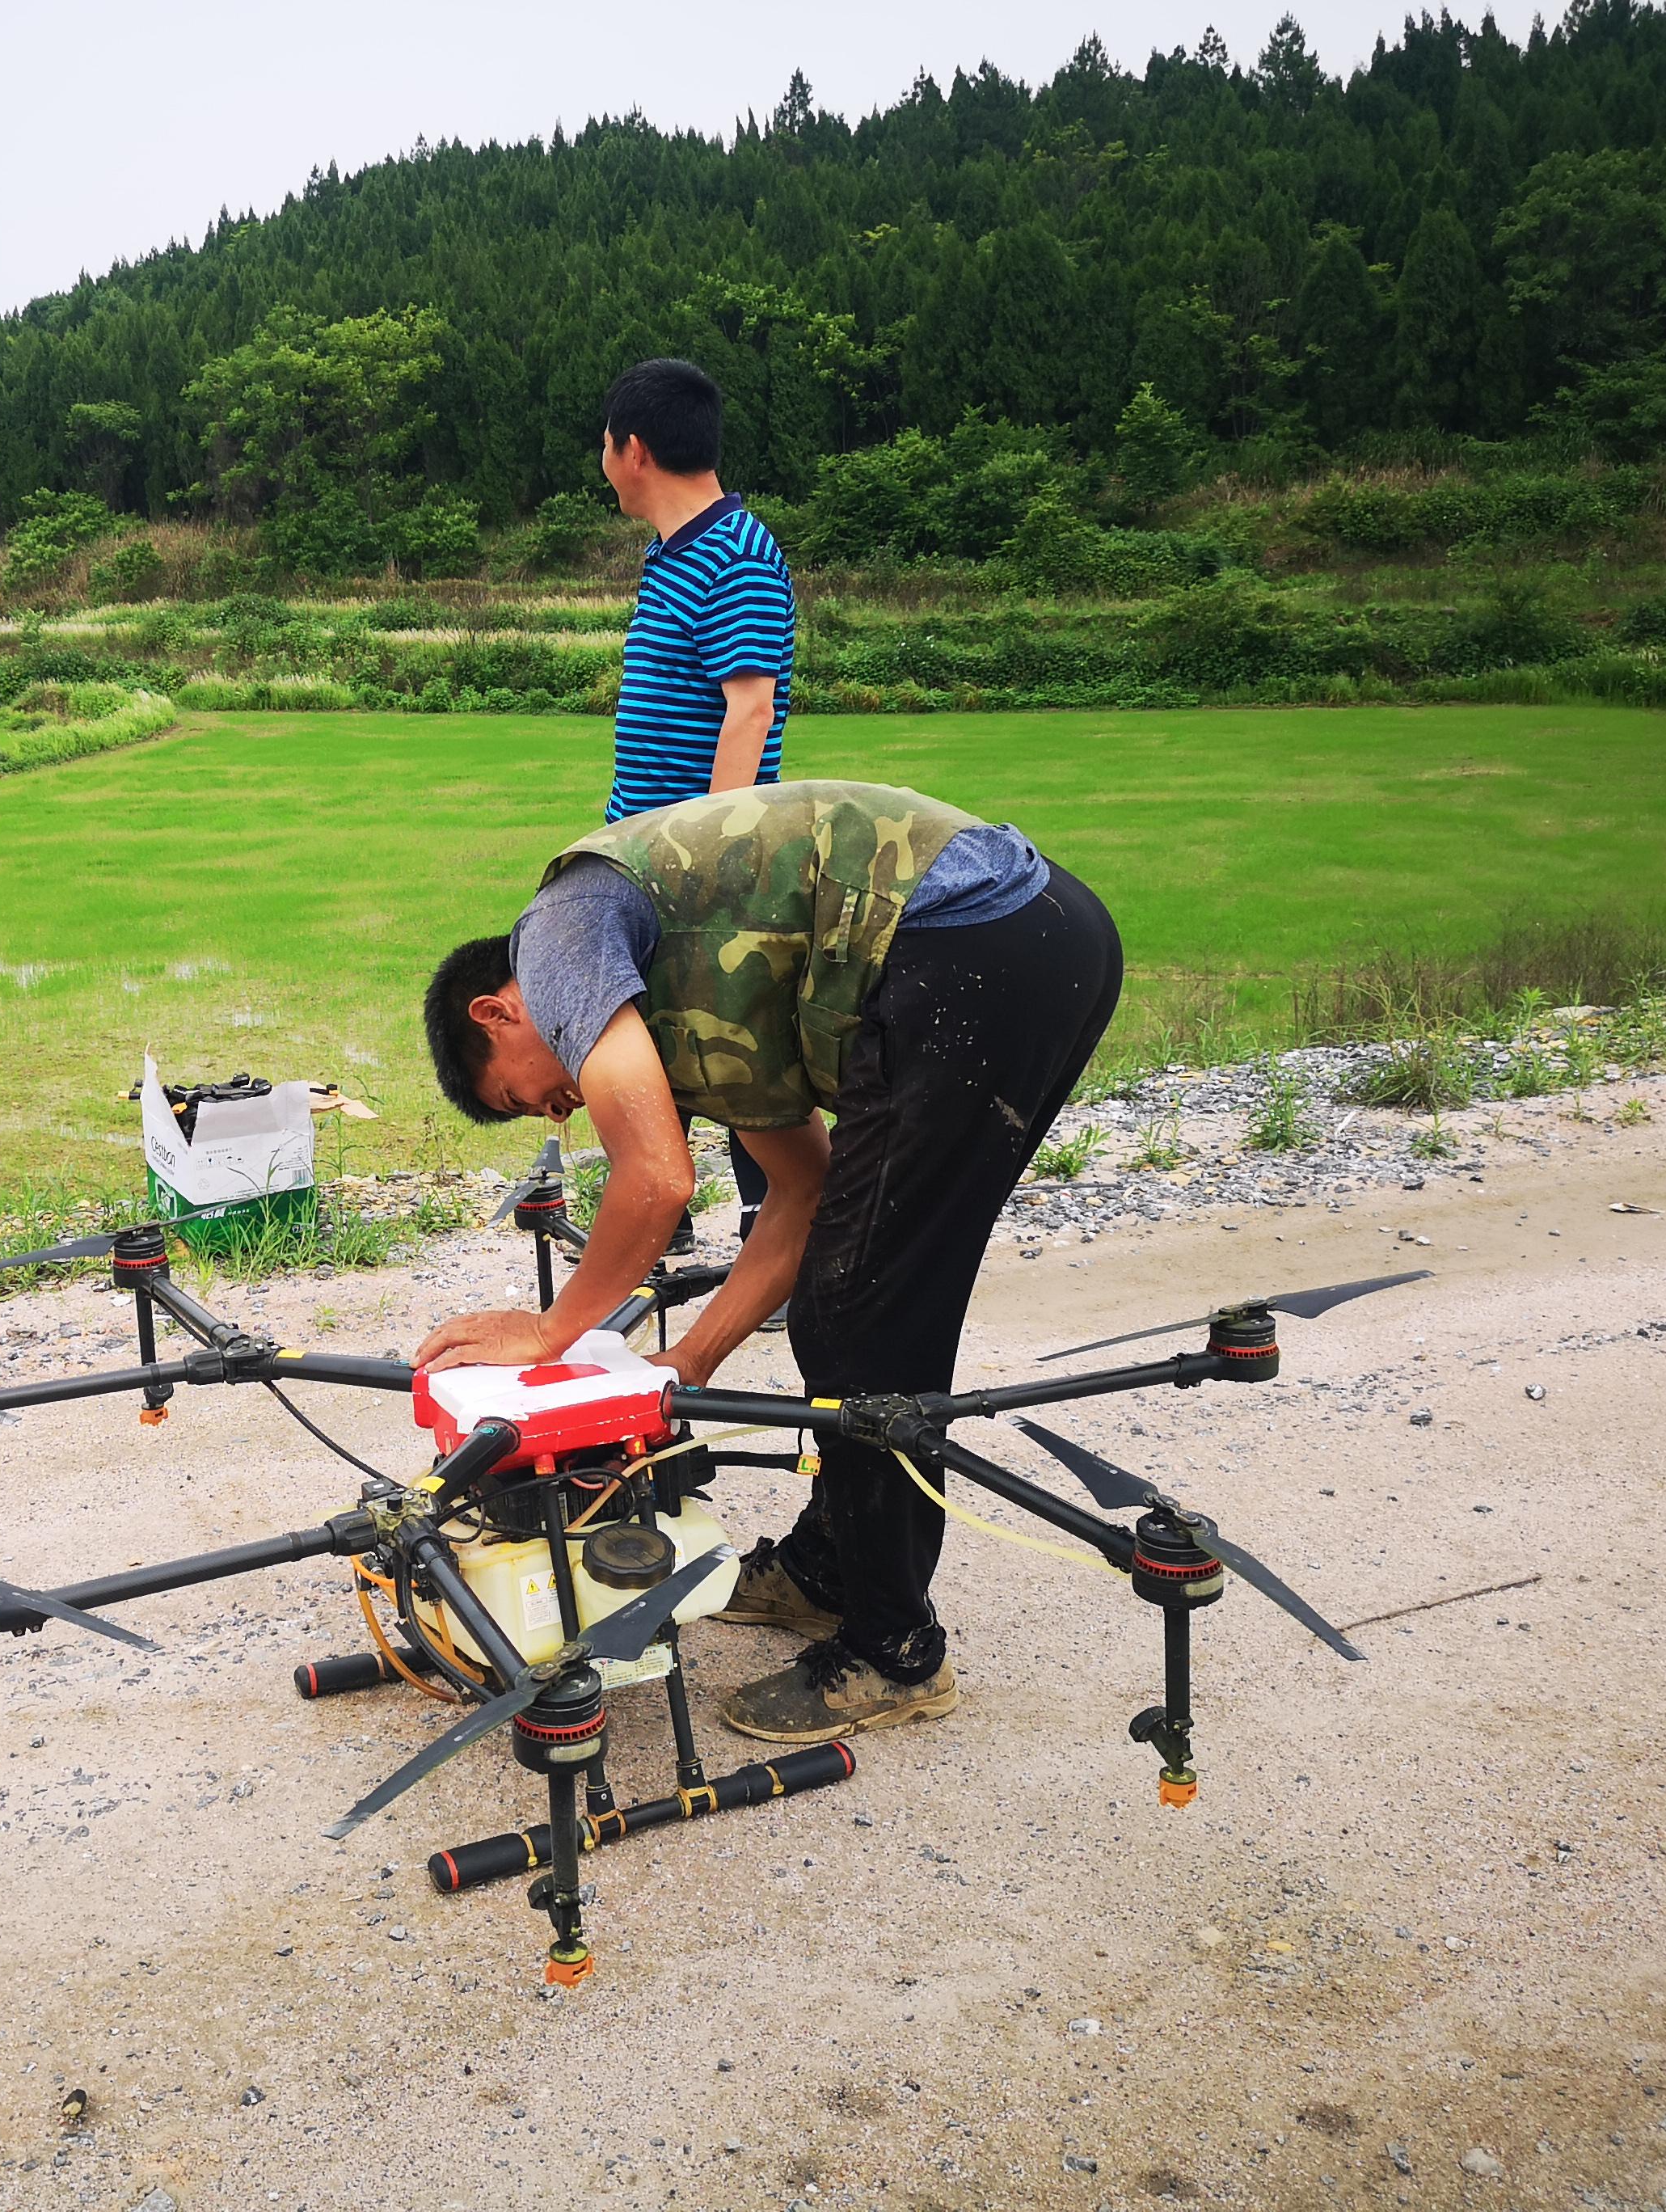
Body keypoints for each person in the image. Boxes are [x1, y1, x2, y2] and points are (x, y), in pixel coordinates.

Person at [415, 780, 1122, 1743]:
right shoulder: (691, 1009)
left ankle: (893, 1654)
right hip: (1017, 946)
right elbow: (803, 1196)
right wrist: (693, 1358)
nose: (558, 1112)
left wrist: (551, 1329)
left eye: (526, 1096)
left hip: (968, 943)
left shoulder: (559, 928)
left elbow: (656, 1181)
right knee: (853, 1285)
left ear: (498, 1012)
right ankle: (832, 1572)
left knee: (868, 1314)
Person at [594, 355, 795, 1248]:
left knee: (738, 1038)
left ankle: (777, 1230)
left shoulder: (737, 552)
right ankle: (662, 1224)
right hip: (643, 847)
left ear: (633, 450)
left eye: (605, 442)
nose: (602, 458)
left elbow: (750, 707)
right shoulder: (674, 553)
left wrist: (709, 855)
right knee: (654, 1029)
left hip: (695, 857)